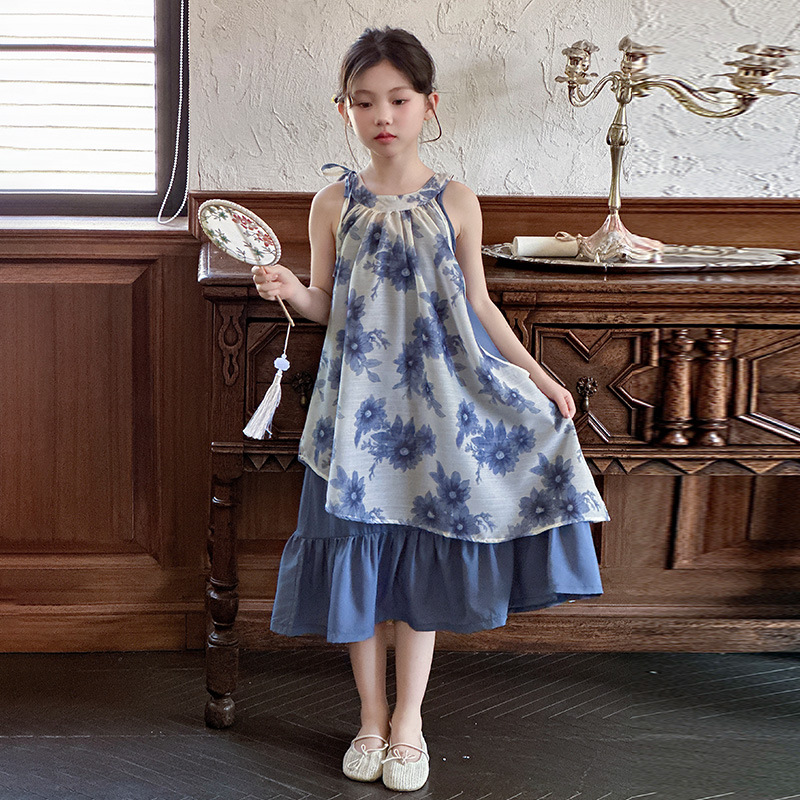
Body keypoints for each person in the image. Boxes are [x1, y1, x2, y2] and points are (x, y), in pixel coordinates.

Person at [251, 26, 610, 792]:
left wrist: (538, 377)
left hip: (439, 413)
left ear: (429, 104)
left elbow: (479, 304)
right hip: (355, 418)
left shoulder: (456, 200)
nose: (382, 115)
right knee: (359, 561)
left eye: (399, 99)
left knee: (418, 567)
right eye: (364, 101)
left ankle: (409, 723)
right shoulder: (332, 202)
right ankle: (370, 719)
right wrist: (291, 291)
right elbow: (327, 304)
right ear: (344, 109)